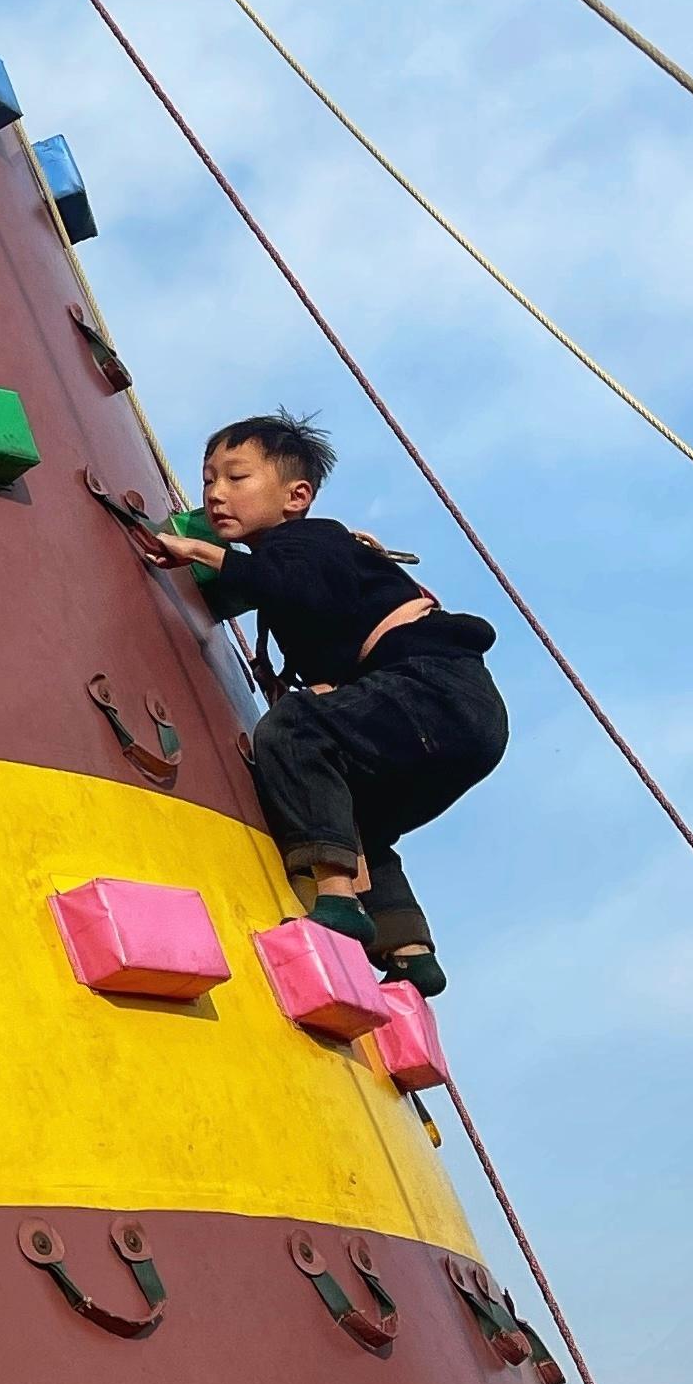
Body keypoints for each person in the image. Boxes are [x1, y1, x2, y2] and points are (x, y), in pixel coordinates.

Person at [145, 411, 502, 996]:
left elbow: (292, 586)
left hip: (431, 691)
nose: (214, 494)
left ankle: (338, 899)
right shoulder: (292, 555)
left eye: (236, 478)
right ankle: (408, 947)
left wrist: (202, 553)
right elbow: (269, 589)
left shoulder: (309, 539)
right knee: (350, 815)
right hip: (457, 723)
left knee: (294, 730)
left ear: (297, 496)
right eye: (208, 479)